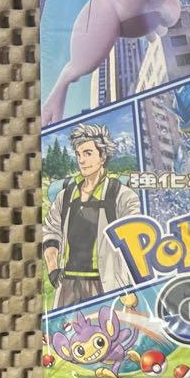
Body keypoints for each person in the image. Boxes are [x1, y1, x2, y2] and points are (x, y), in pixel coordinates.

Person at [41, 123, 139, 308]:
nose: (82, 160)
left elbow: (136, 243)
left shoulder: (122, 196)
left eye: (88, 153)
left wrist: (130, 287)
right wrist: (53, 269)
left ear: (103, 156)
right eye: (79, 154)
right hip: (68, 285)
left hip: (105, 285)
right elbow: (50, 231)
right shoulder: (66, 195)